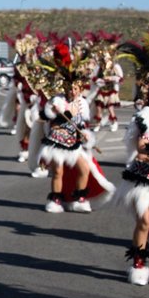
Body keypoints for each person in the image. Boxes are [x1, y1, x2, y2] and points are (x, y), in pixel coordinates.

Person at [36, 42, 115, 213]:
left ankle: (79, 198)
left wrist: (85, 136)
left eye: (76, 89)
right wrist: (56, 112)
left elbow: (81, 124)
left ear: (80, 89)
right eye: (70, 88)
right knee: (58, 171)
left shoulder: (82, 103)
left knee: (84, 168)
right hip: (57, 141)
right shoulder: (57, 101)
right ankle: (56, 199)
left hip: (74, 142)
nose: (72, 91)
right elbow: (45, 118)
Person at [115, 39, 149, 285]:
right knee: (145, 219)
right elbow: (139, 148)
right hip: (145, 175)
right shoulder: (144, 117)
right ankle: (138, 262)